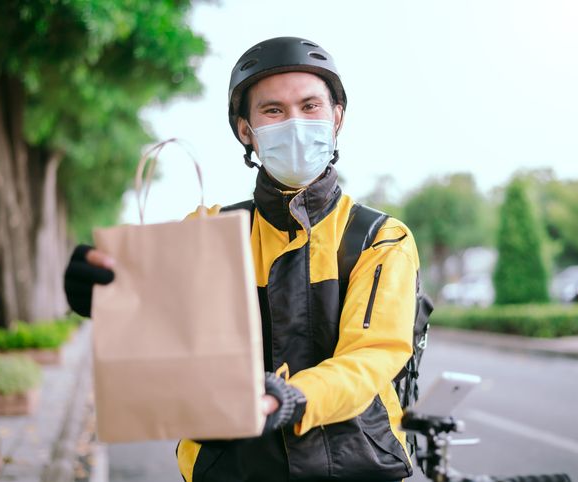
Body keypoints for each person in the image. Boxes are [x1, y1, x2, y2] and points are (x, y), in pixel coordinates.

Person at [64, 36, 421, 482]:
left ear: (337, 118)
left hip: (353, 469)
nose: (294, 123)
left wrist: (290, 397)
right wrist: (101, 292)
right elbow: (156, 316)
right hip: (229, 469)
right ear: (245, 130)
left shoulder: (379, 238)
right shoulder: (207, 231)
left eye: (310, 106)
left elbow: (370, 358)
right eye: (273, 110)